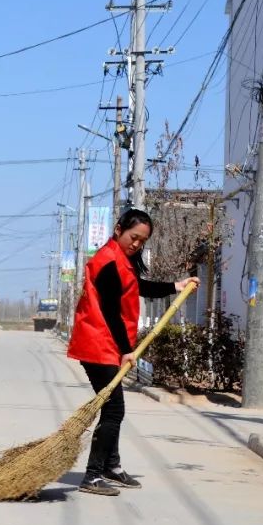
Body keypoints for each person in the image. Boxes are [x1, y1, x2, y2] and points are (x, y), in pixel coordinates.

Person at [66, 208, 198, 497]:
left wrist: (176, 286)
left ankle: (111, 466)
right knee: (114, 409)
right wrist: (126, 351)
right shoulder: (108, 260)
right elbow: (112, 312)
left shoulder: (121, 260)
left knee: (112, 408)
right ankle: (92, 474)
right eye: (133, 237)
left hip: (106, 343)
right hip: (98, 342)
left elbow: (137, 288)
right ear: (118, 230)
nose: (137, 244)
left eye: (142, 241)